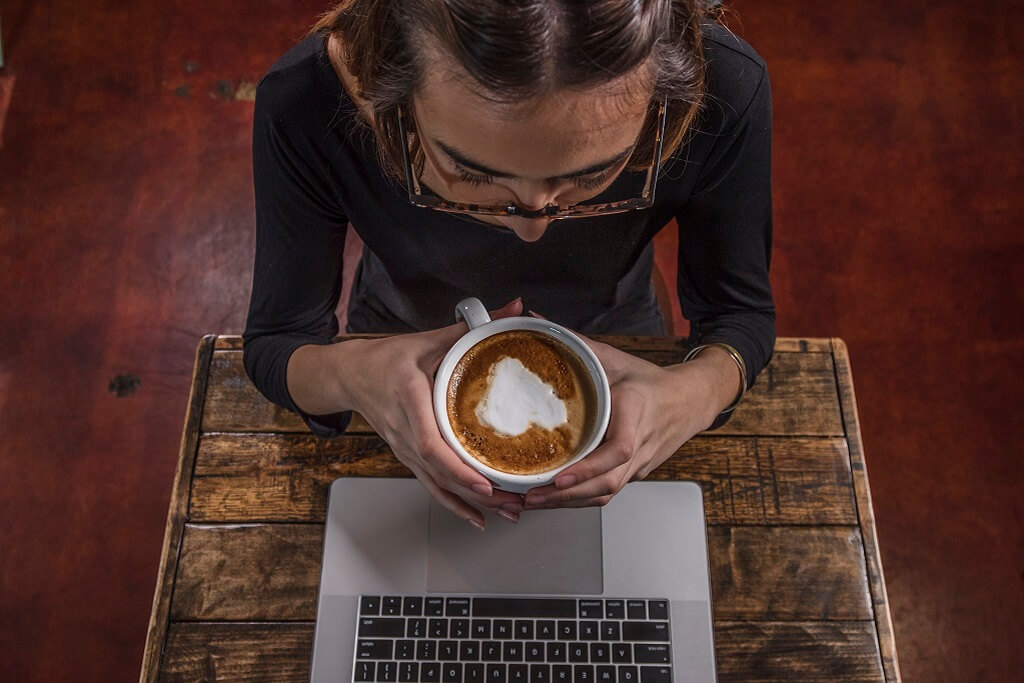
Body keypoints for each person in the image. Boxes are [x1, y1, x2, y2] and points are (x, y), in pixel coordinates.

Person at [243, 0, 775, 530]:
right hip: (394, 331)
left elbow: (740, 318)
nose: (531, 229)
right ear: (386, 89)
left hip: (620, 325)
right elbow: (277, 343)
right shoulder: (307, 100)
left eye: (592, 176)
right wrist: (350, 374)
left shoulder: (725, 86)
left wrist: (696, 394)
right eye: (474, 177)